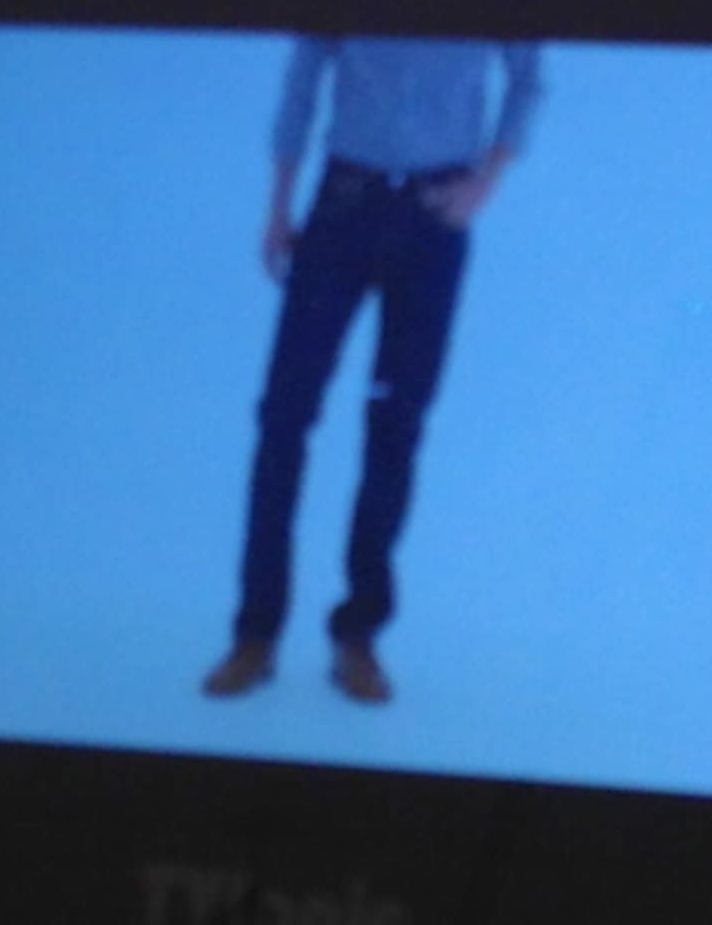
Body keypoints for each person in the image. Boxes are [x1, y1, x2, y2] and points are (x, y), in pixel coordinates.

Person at [204, 34, 543, 704]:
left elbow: (528, 76)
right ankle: (256, 633)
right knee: (284, 417)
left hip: (434, 212)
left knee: (397, 423)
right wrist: (279, 204)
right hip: (344, 205)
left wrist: (490, 175)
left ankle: (358, 636)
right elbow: (302, 80)